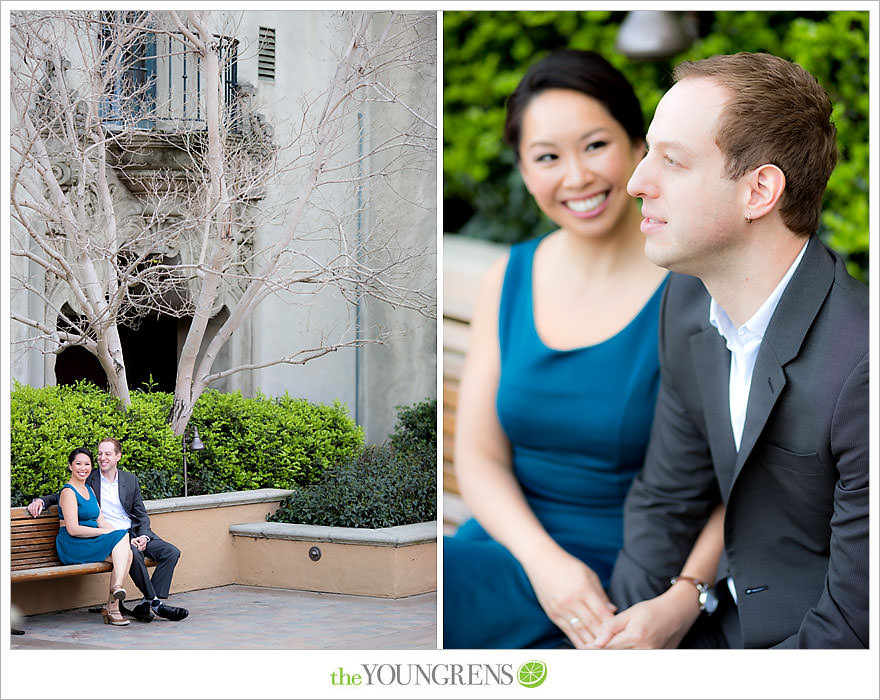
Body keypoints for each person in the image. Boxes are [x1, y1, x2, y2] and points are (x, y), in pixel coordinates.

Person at [443, 49, 724, 649]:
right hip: (515, 550)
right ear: (523, 169)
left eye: (595, 145)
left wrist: (684, 598)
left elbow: (750, 480)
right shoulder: (510, 277)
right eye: (547, 157)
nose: (576, 178)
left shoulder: (700, 289)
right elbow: (480, 459)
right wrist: (546, 566)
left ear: (636, 143)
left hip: (634, 577)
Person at [598, 52, 868, 649]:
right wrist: (627, 636)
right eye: (649, 153)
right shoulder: (686, 304)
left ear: (760, 191)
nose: (636, 181)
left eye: (672, 160)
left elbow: (854, 627)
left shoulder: (864, 363)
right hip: (705, 622)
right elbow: (665, 499)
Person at [28, 438, 189, 623]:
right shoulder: (89, 478)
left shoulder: (129, 480)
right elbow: (64, 494)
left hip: (129, 532)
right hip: (107, 537)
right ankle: (151, 604)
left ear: (118, 456)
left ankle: (145, 602)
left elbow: (141, 513)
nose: (102, 458)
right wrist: (41, 500)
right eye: (99, 454)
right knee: (131, 554)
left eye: (107, 454)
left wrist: (143, 535)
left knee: (171, 552)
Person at [54, 447, 133, 626]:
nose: (83, 468)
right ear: (70, 466)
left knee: (127, 554)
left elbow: (102, 521)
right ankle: (115, 596)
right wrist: (108, 533)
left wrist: (118, 534)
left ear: (91, 467)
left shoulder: (89, 489)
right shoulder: (68, 492)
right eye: (78, 464)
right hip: (73, 545)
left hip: (90, 542)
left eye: (87, 464)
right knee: (122, 544)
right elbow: (73, 529)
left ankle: (113, 606)